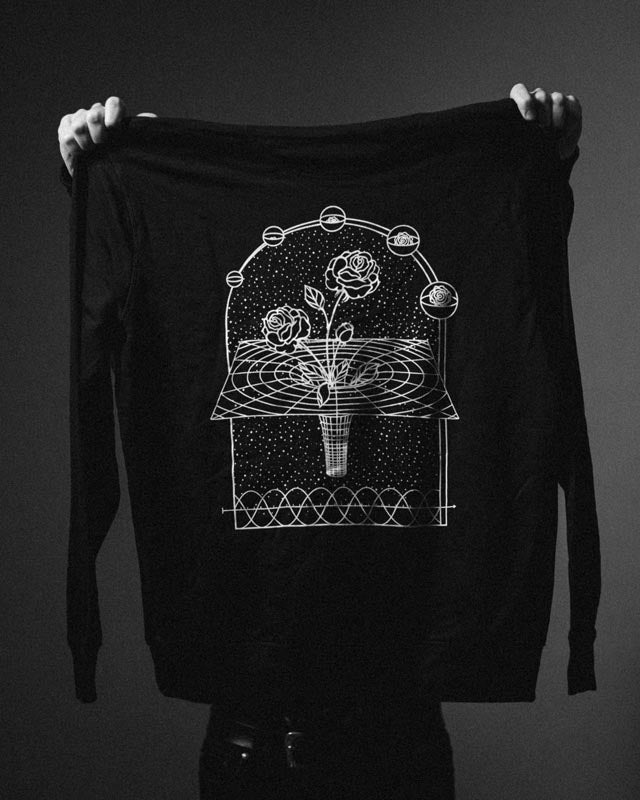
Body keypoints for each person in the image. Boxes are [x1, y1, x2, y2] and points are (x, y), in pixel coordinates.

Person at [57, 83, 583, 800]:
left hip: (400, 744)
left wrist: (541, 165)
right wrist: (101, 182)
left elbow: (525, 292)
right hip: (254, 746)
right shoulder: (158, 196)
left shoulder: (478, 199)